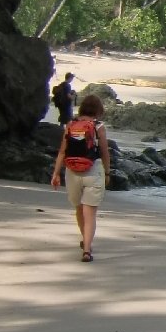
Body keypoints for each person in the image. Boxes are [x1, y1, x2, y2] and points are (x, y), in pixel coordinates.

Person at [51, 94, 110, 262]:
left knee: (79, 209)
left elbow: (62, 151)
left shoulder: (71, 125)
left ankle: (85, 239)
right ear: (98, 110)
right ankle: (87, 250)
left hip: (72, 171)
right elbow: (105, 152)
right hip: (93, 171)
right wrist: (107, 172)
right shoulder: (99, 127)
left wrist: (56, 173)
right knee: (90, 213)